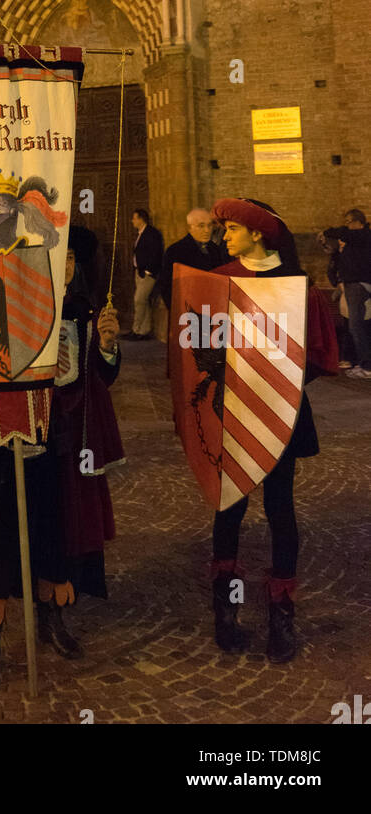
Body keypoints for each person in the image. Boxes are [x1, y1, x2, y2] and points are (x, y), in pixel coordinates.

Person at [0, 245, 123, 685]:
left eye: (72, 257)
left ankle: (51, 617)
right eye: (59, 255)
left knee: (53, 529)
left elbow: (100, 377)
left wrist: (107, 346)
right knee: (0, 531)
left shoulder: (83, 310)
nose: (66, 264)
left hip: (60, 440)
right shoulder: (8, 301)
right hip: (8, 432)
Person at [205, 197, 338, 664]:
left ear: (257, 233)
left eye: (232, 228)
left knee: (281, 510)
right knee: (230, 510)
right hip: (231, 412)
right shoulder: (218, 281)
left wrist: (277, 379)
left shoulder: (298, 289)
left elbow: (319, 358)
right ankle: (227, 609)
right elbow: (198, 348)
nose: (225, 235)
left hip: (281, 412)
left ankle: (282, 614)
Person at [322, 210, 371, 378]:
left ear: (357, 222)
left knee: (355, 326)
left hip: (357, 285)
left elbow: (341, 232)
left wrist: (326, 232)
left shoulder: (362, 234)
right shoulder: (356, 239)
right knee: (357, 326)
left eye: (348, 222)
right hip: (354, 284)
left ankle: (367, 366)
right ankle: (362, 363)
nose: (347, 225)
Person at [159, 208, 230, 310]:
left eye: (209, 225)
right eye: (201, 226)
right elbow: (166, 286)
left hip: (212, 310)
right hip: (187, 312)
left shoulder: (215, 249)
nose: (207, 230)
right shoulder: (175, 251)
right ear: (189, 228)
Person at [126, 208, 163, 340]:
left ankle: (136, 330)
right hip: (140, 272)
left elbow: (156, 253)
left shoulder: (151, 233)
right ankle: (144, 331)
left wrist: (148, 271)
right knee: (144, 301)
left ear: (141, 219)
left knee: (139, 300)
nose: (132, 221)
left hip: (147, 274)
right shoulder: (142, 233)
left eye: (134, 218)